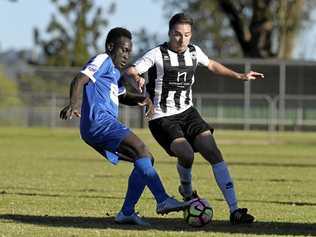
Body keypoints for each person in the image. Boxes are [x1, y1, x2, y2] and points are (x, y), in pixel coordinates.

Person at [126, 13, 264, 225]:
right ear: (170, 33)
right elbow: (131, 70)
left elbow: (212, 64)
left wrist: (240, 76)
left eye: (187, 35)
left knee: (213, 151)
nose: (182, 40)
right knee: (187, 154)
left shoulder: (194, 51)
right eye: (178, 35)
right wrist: (137, 79)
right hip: (162, 116)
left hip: (188, 112)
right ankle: (188, 192)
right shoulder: (156, 54)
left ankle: (235, 210)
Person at [60, 27, 189, 227]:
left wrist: (143, 99)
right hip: (99, 122)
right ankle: (162, 199)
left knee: (146, 159)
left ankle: (127, 212)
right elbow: (79, 79)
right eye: (123, 50)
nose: (126, 55)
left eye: (129, 51)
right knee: (141, 150)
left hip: (102, 125)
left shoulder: (114, 73)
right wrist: (74, 104)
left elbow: (122, 96)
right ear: (111, 47)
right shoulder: (102, 59)